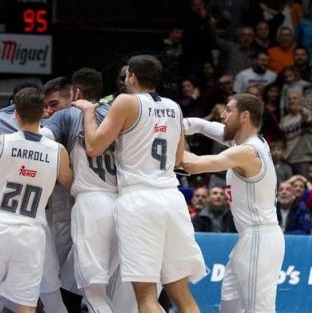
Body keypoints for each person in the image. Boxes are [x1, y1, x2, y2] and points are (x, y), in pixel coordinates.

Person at [73, 54, 205, 313]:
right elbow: (178, 158)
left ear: (132, 77)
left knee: (145, 298)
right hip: (172, 198)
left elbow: (93, 146)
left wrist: (89, 112)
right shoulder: (175, 107)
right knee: (182, 295)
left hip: (139, 201)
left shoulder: (126, 102)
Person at [0, 87, 72, 313]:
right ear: (43, 112)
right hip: (30, 232)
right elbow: (72, 185)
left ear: (16, 114)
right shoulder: (57, 151)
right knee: (26, 304)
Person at [43, 67, 137, 313]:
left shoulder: (69, 115)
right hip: (124, 205)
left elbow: (40, 140)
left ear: (75, 92)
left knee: (92, 294)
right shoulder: (119, 115)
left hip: (91, 203)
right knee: (109, 292)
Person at [182, 93, 285, 312]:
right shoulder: (243, 140)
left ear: (244, 116)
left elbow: (194, 165)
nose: (222, 114)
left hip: (260, 237)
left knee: (260, 309)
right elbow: (202, 125)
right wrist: (178, 125)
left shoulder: (247, 152)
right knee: (229, 306)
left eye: (228, 110)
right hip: (248, 238)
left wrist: (161, 140)